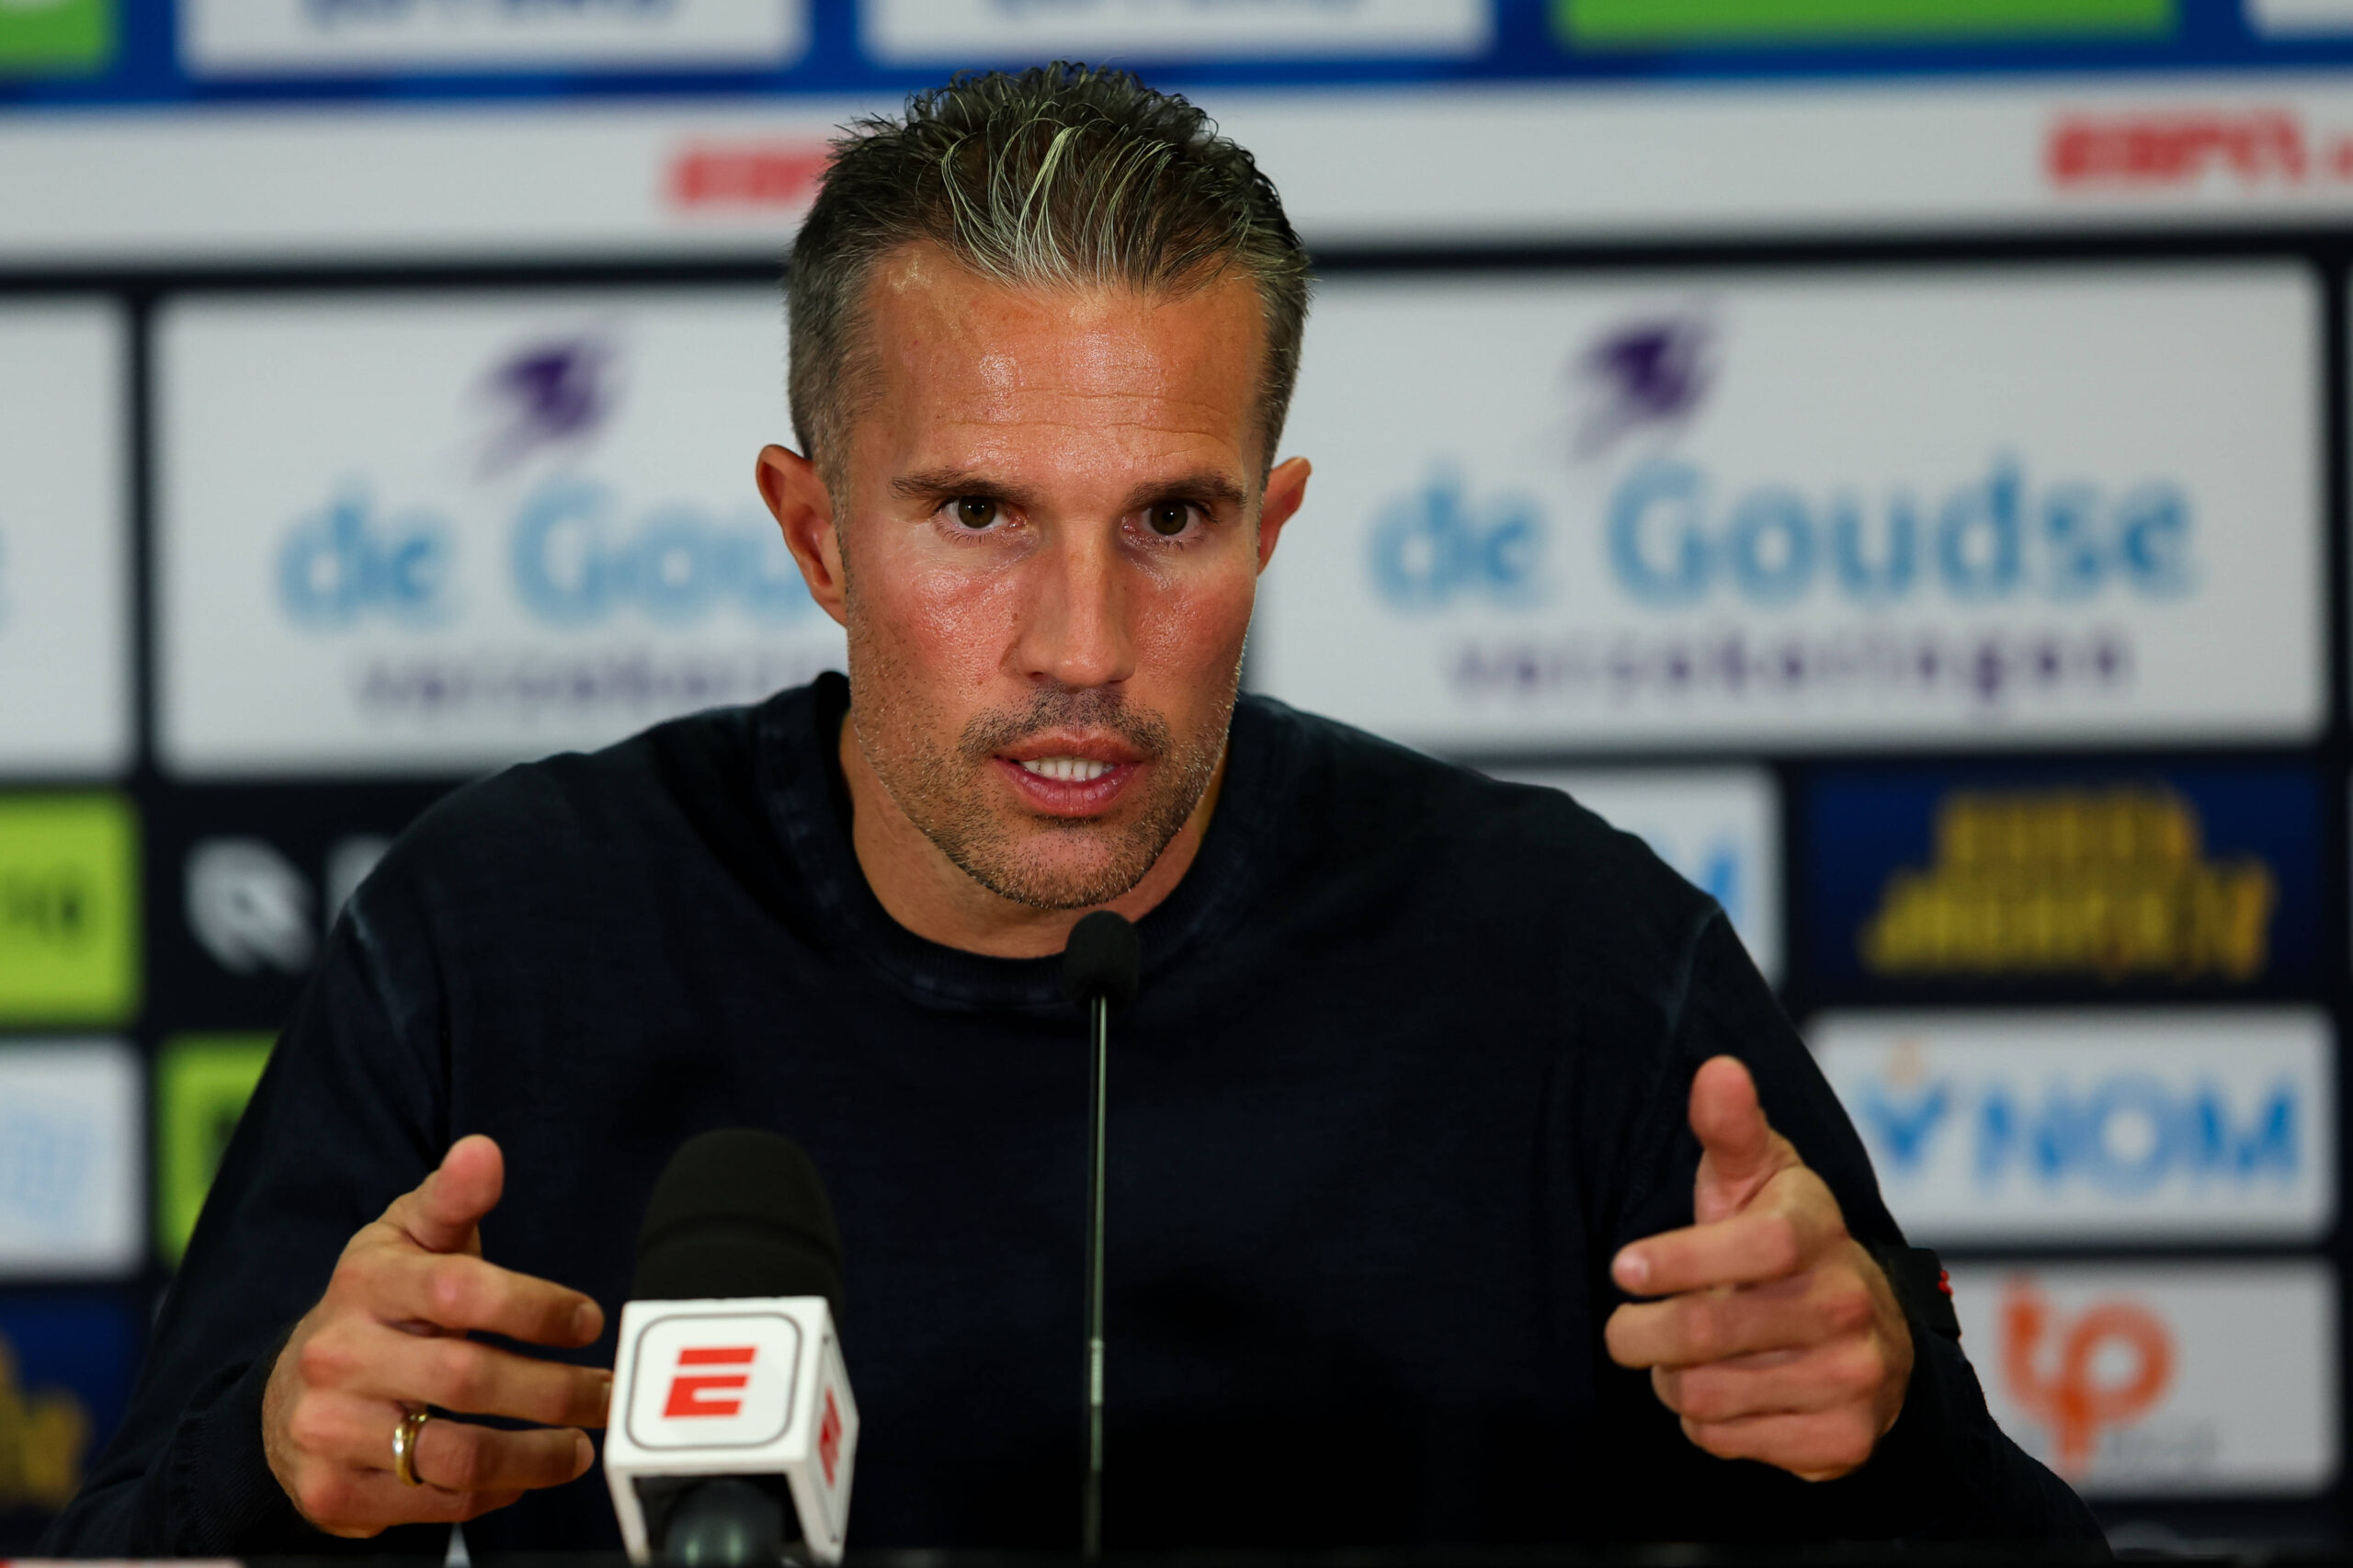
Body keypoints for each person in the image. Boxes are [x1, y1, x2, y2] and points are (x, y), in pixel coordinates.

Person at [48, 64, 2100, 1556]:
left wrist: (1880, 1436)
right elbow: (144, 1532)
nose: (1081, 646)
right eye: (973, 515)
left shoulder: (1567, 956)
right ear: (813, 531)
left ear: (1271, 522)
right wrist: (274, 1473)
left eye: (1172, 521)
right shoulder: (494, 932)